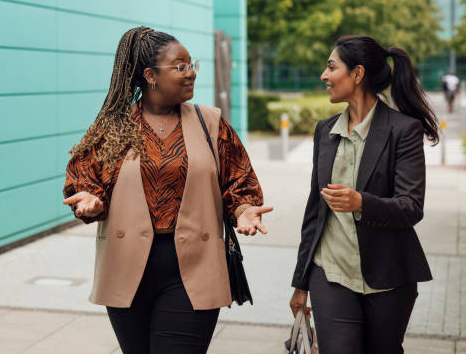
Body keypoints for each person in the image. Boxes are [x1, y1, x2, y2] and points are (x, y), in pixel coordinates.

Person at [63, 26, 272, 354]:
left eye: (192, 65)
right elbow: (86, 179)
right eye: (180, 67)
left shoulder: (211, 122)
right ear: (150, 75)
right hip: (126, 269)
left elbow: (239, 181)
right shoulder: (114, 127)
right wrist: (91, 200)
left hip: (194, 266)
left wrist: (245, 210)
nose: (190, 74)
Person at [289, 35, 439, 354]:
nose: (324, 76)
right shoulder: (325, 131)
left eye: (331, 67)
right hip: (330, 271)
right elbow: (314, 212)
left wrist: (361, 203)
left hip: (388, 274)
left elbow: (411, 207)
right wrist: (300, 283)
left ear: (357, 74)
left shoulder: (403, 130)